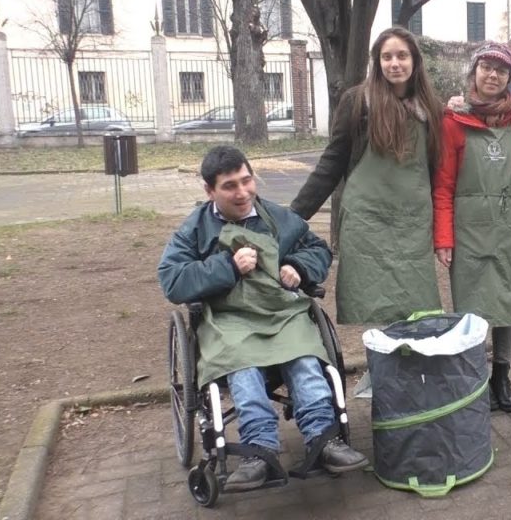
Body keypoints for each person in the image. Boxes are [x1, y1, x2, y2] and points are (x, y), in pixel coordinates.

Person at [158, 145, 368, 492]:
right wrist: (226, 266)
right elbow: (173, 279)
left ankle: (325, 440)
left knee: (303, 358)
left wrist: (298, 267)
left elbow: (317, 249)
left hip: (280, 312)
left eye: (246, 181)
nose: (242, 193)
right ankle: (259, 451)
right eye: (229, 186)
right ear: (209, 191)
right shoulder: (194, 230)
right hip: (228, 320)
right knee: (243, 367)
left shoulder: (277, 218)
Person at [290, 27, 445, 325]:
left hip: (412, 226)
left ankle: (409, 372)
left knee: (417, 310)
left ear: (415, 61)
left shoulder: (432, 110)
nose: (394, 63)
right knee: (374, 310)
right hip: (367, 223)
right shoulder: (358, 102)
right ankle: (380, 371)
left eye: (402, 55)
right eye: (386, 57)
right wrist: (294, 217)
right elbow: (332, 163)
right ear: (377, 62)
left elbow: (438, 171)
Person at [433, 41, 511, 413]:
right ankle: (475, 378)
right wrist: (443, 238)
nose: (493, 75)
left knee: (507, 302)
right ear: (474, 71)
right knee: (472, 307)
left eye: (501, 70)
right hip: (469, 231)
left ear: (510, 78)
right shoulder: (453, 119)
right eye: (486, 68)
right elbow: (443, 185)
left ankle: (502, 377)